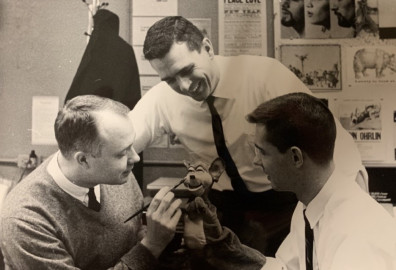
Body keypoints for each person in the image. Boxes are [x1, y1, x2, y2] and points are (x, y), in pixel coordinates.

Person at [129, 16, 367, 256]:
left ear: (208, 48)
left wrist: (357, 215)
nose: (184, 86)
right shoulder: (162, 98)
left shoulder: (265, 77)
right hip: (224, 211)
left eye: (188, 70)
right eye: (170, 79)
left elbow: (330, 141)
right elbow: (120, 140)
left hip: (281, 204)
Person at [189, 92, 396, 269]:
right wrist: (223, 243)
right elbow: (284, 267)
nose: (255, 161)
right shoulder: (309, 205)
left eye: (262, 152)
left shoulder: (356, 234)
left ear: (296, 157)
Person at [0, 95, 182, 269]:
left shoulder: (118, 173)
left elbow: (135, 236)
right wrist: (152, 246)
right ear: (83, 160)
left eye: (131, 146)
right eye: (122, 153)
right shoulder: (25, 221)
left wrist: (159, 236)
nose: (135, 158)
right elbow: (145, 249)